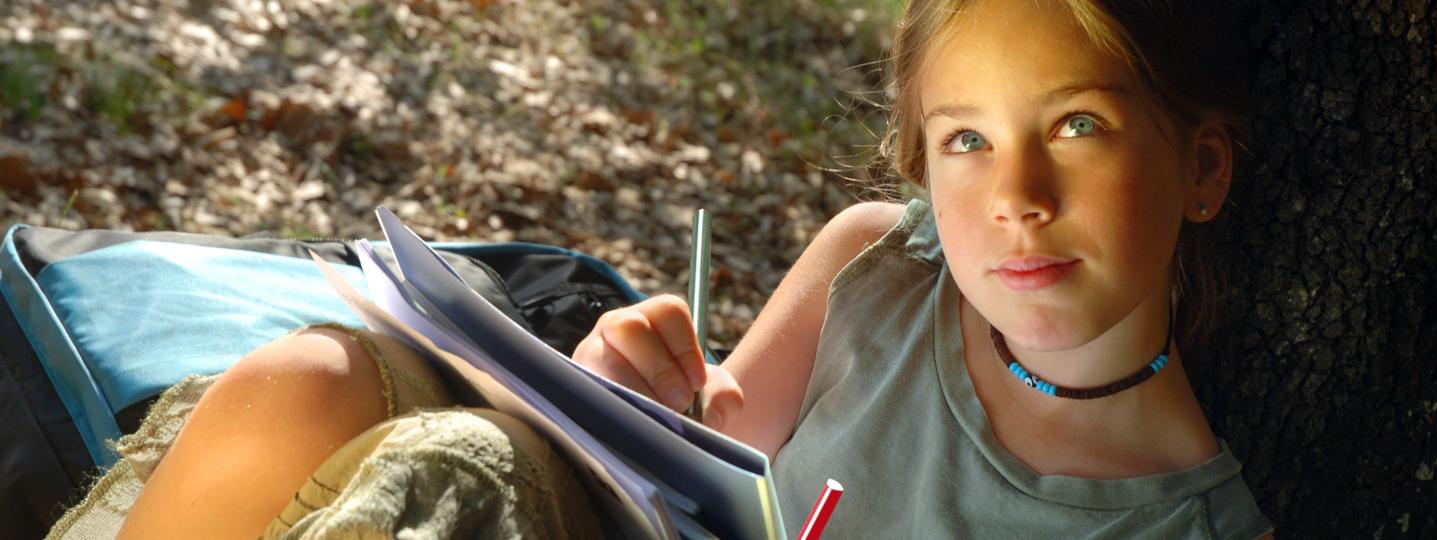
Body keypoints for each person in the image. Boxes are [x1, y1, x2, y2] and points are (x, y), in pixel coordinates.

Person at [52, 0, 1274, 538]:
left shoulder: (1190, 526)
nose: (1017, 197)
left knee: (451, 478)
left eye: (1078, 126)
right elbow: (716, 430)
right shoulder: (880, 271)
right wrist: (645, 385)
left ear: (1203, 171)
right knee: (307, 384)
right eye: (965, 140)